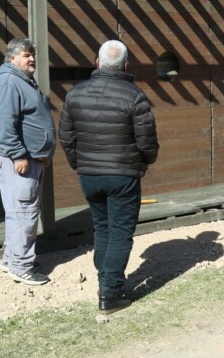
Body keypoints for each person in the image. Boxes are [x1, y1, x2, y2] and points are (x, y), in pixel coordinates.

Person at [59, 40, 159, 313]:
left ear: (97, 62)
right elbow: (147, 141)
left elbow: (66, 137)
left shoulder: (74, 95)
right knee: (120, 233)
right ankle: (109, 293)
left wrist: (78, 163)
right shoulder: (135, 95)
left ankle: (104, 280)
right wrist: (146, 162)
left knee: (102, 227)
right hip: (123, 174)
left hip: (89, 174)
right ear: (126, 66)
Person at [0, 38, 56, 286]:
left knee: (18, 213)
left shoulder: (22, 80)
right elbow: (4, 126)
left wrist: (43, 154)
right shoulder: (9, 82)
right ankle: (21, 266)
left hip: (32, 158)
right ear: (12, 58)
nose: (31, 59)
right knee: (24, 212)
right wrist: (18, 155)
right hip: (19, 160)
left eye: (33, 55)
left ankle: (12, 259)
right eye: (26, 55)